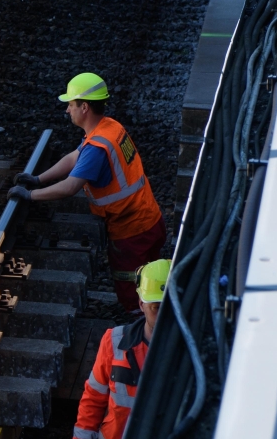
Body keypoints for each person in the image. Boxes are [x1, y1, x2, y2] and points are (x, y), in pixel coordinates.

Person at [9, 73, 166, 310]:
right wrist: (37, 179)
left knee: (133, 288)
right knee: (153, 282)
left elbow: (71, 187)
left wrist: (31, 196)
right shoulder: (109, 127)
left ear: (84, 107)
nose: (67, 110)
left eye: (70, 105)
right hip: (149, 218)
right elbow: (75, 157)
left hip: (131, 231)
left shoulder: (97, 148)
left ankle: (141, 330)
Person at [70, 259, 169, 439]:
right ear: (141, 304)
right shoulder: (115, 342)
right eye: (156, 307)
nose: (164, 315)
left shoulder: (191, 354)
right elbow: (93, 398)